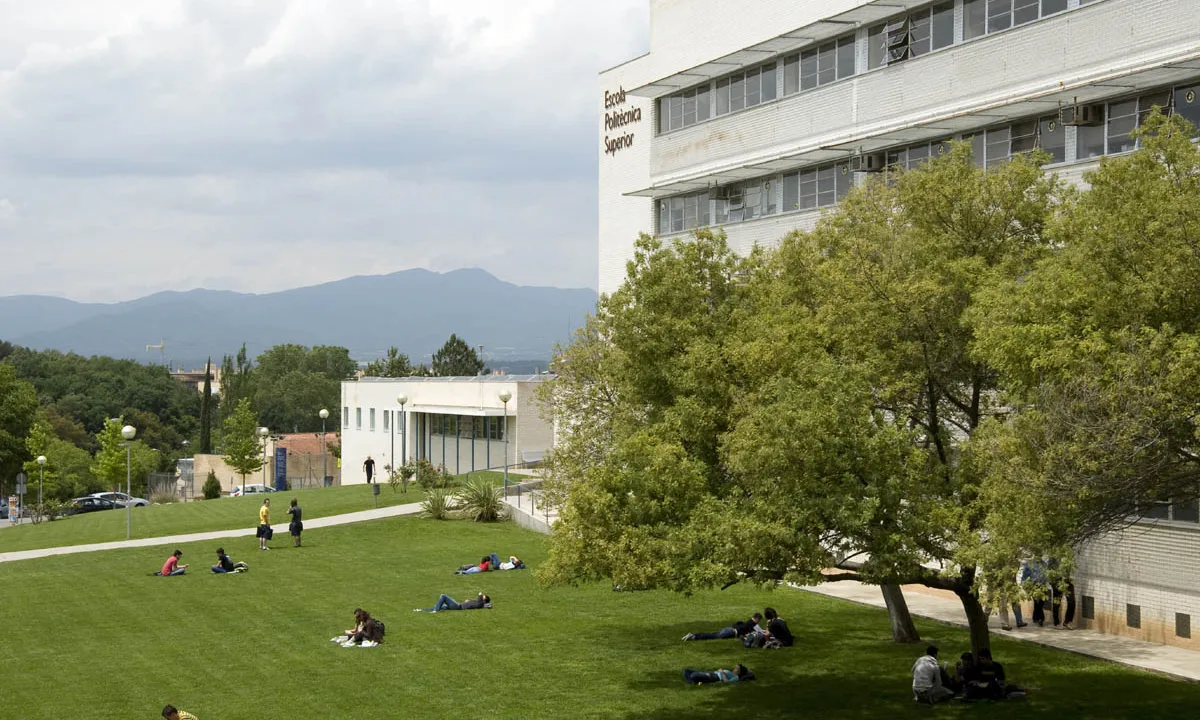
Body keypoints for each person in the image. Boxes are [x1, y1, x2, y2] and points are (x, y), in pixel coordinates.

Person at [682, 614, 762, 641]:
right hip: (731, 632)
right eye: (759, 620)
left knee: (712, 634)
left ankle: (693, 635)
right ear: (756, 619)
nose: (758, 622)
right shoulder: (751, 623)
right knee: (712, 636)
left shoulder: (748, 622)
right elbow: (754, 632)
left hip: (728, 629)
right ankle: (693, 636)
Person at [415, 592, 492, 612]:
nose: (482, 596)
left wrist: (480, 594)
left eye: (484, 596)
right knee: (440, 606)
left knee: (443, 596)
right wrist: (467, 601)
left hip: (458, 606)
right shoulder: (479, 602)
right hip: (459, 604)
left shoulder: (481, 604)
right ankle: (421, 610)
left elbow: (484, 604)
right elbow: (474, 603)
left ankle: (435, 611)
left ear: (484, 600)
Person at [682, 664, 755, 685]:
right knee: (686, 671)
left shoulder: (736, 677)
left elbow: (726, 682)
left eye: (736, 668)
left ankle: (693, 681)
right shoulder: (731, 672)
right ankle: (693, 682)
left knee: (693, 675)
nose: (734, 668)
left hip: (714, 677)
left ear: (739, 672)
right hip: (711, 674)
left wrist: (722, 672)